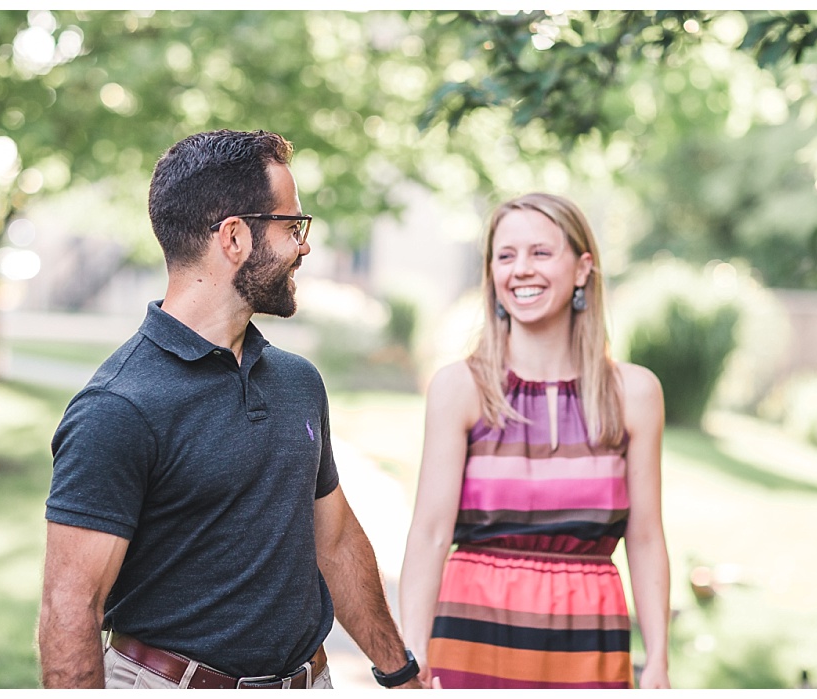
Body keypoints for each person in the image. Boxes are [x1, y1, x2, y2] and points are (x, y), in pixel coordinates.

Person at [39, 129, 423, 690]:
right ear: (235, 237)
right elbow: (70, 611)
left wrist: (400, 672)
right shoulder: (117, 407)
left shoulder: (298, 381)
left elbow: (335, 541)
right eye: (293, 226)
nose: (305, 245)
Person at [398, 193, 671, 689]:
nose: (521, 269)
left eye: (541, 253)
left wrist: (658, 660)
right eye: (506, 256)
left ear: (583, 267)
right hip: (472, 640)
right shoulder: (460, 389)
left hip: (590, 643)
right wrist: (412, 657)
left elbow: (647, 537)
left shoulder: (635, 393)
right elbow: (430, 534)